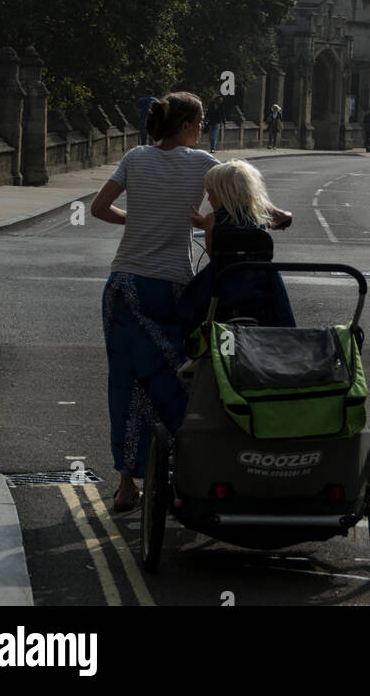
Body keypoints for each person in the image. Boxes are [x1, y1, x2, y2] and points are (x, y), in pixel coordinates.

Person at [91, 92, 217, 512]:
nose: (203, 128)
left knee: (125, 384)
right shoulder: (203, 164)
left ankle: (127, 487)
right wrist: (280, 216)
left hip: (122, 286)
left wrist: (138, 218)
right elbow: (244, 203)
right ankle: (181, 478)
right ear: (185, 126)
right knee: (177, 382)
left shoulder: (136, 156)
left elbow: (99, 208)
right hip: (168, 290)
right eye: (200, 121)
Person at [179, 160, 294, 337]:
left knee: (186, 308)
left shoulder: (212, 219)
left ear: (224, 194)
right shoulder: (257, 216)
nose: (208, 198)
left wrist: (205, 225)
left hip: (224, 282)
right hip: (261, 281)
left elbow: (212, 253)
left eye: (211, 194)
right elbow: (283, 217)